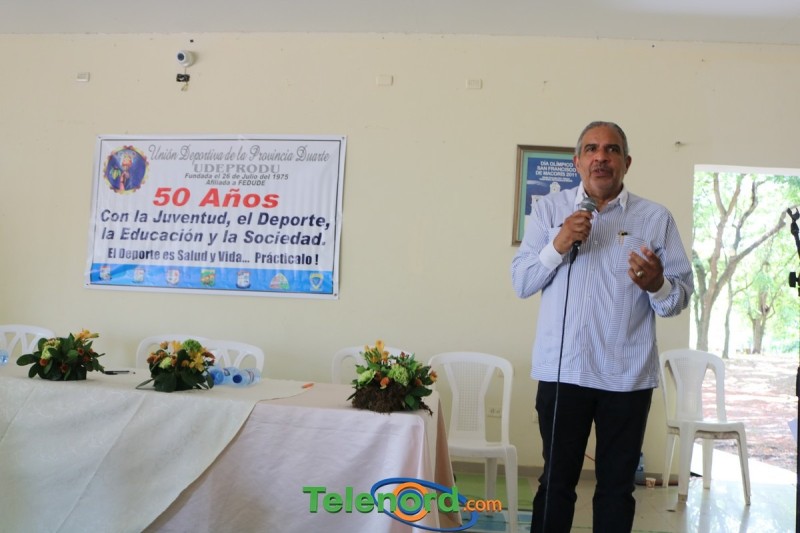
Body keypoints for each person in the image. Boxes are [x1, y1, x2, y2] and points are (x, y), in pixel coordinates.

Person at [511, 121, 694, 532]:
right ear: (577, 162)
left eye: (611, 150)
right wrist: (558, 244)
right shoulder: (549, 211)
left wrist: (658, 284)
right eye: (591, 149)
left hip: (626, 377)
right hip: (563, 373)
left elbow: (679, 298)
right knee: (555, 484)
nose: (601, 157)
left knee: (616, 489)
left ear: (626, 162)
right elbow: (521, 282)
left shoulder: (655, 218)